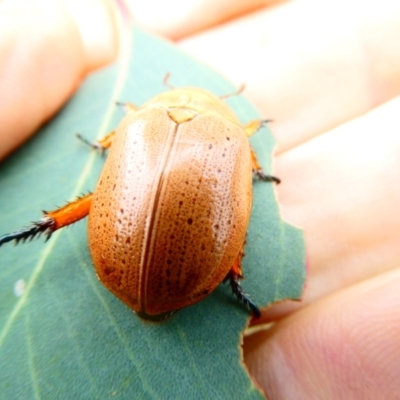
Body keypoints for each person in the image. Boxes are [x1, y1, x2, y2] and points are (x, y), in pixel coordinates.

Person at [1, 0, 399, 398]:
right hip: (165, 268)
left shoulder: (137, 121)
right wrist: (258, 169)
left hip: (119, 255)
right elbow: (237, 209)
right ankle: (233, 275)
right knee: (236, 210)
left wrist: (105, 141)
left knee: (113, 198)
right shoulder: (234, 138)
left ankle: (41, 226)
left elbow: (111, 149)